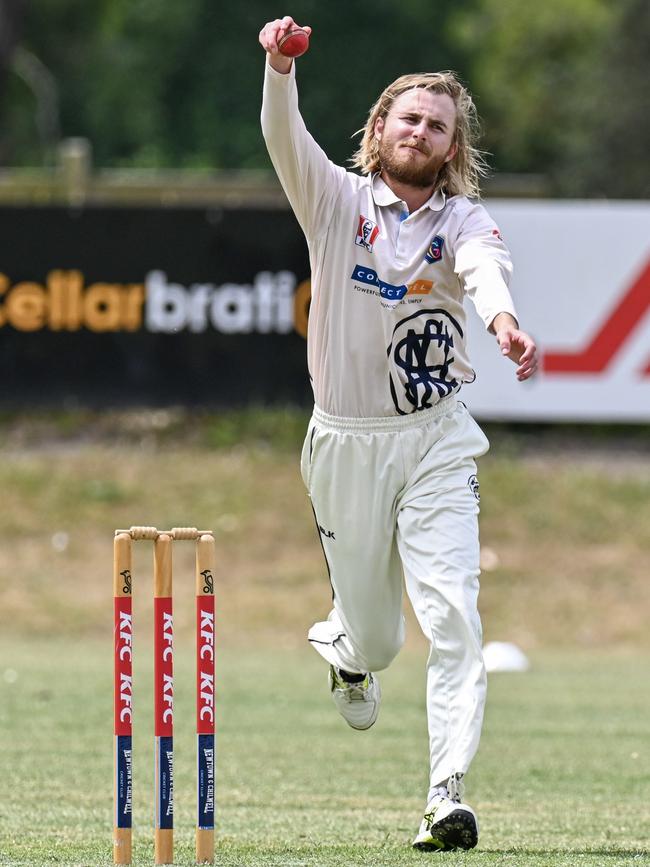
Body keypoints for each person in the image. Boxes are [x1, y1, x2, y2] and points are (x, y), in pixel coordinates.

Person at [259, 16, 537, 852]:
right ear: (379, 129)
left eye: (438, 126)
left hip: (436, 439)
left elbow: (488, 269)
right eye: (408, 118)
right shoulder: (335, 200)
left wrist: (504, 321)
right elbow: (284, 134)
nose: (421, 132)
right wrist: (278, 67)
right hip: (344, 440)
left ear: (453, 148)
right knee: (379, 638)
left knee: (453, 613)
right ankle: (345, 643)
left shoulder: (462, 221)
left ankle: (445, 793)